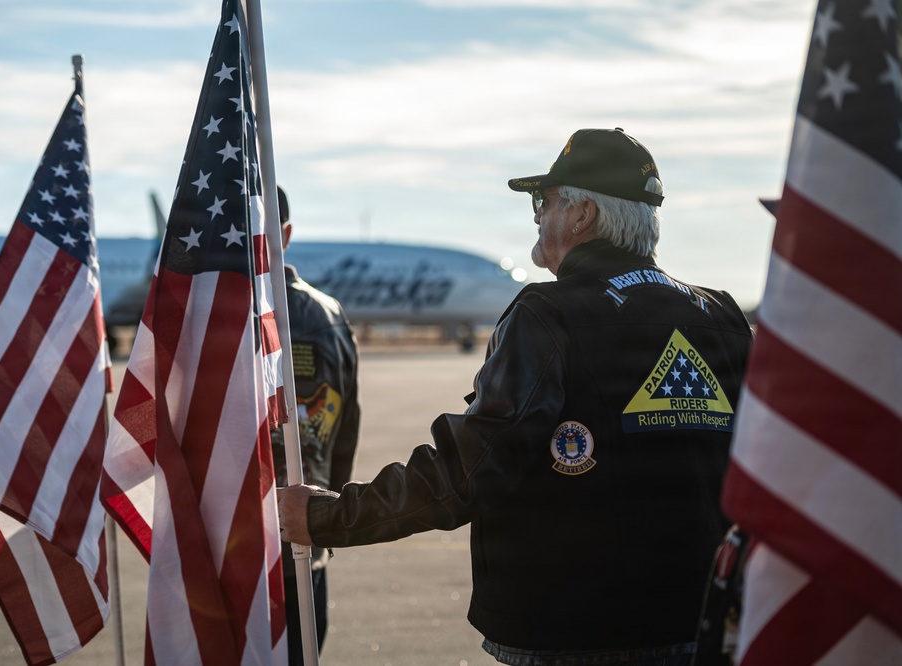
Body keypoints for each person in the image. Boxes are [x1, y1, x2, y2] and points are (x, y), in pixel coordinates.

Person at [278, 128, 753, 665]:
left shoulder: (547, 317)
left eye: (544, 200)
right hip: (701, 628)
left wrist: (330, 517)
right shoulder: (724, 320)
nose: (536, 215)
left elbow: (469, 472)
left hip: (575, 637)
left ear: (583, 215)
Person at [271, 186, 361, 665]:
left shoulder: (202, 316)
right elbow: (346, 428)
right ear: (286, 234)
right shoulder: (328, 315)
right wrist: (327, 515)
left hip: (218, 544)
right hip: (301, 534)